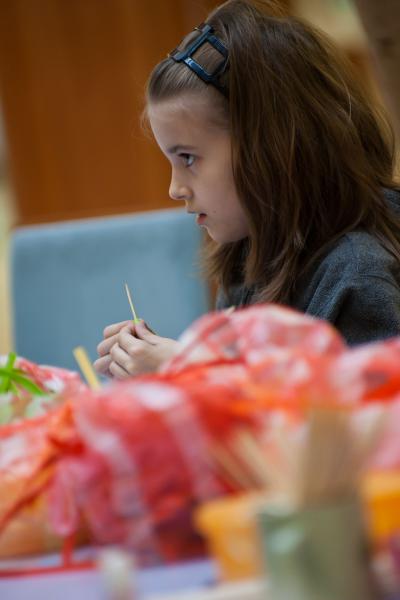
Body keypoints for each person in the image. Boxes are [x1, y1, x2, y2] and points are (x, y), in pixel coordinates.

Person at [94, 0, 400, 380]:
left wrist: (193, 368)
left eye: (188, 157)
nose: (175, 189)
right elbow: (254, 391)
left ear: (270, 147)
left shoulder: (358, 275)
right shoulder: (246, 254)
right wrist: (170, 370)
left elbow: (363, 412)